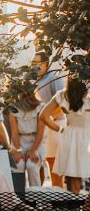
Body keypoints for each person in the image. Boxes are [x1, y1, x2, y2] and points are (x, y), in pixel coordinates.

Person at [39, 77, 90, 195]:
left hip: (70, 137)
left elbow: (43, 115)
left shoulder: (63, 96)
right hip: (88, 137)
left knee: (73, 183)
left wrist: (60, 129)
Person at [33, 51, 66, 187]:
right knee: (47, 160)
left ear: (45, 64)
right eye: (32, 63)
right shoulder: (36, 80)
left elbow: (63, 103)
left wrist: (48, 116)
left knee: (56, 162)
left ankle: (59, 196)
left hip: (55, 124)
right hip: (42, 125)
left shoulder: (54, 78)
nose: (34, 66)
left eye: (37, 63)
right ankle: (54, 195)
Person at [7, 93, 46, 187]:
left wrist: (33, 150)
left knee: (31, 165)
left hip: (36, 142)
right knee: (18, 165)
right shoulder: (13, 108)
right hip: (19, 142)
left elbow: (40, 133)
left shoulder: (40, 107)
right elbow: (14, 132)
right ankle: (20, 197)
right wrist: (18, 150)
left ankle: (36, 197)